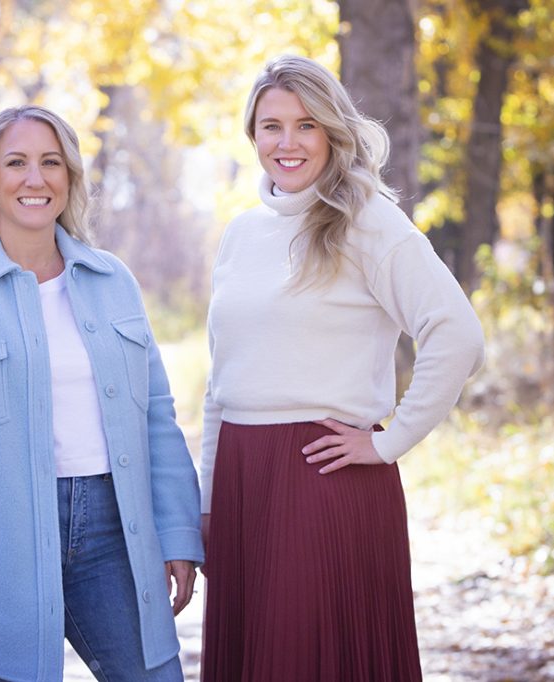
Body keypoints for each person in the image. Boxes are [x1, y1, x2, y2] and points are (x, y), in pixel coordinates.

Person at [0, 105, 203, 682]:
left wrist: (177, 529)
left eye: (50, 162)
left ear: (70, 176)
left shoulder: (113, 281)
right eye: (17, 162)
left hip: (113, 534)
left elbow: (157, 415)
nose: (35, 179)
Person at [199, 55, 486, 682]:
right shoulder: (240, 235)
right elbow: (221, 385)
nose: (288, 142)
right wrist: (209, 499)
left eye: (306, 124)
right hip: (243, 482)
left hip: (323, 475)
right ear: (253, 137)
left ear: (333, 130)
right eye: (271, 126)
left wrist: (391, 442)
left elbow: (457, 333)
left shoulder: (369, 221)